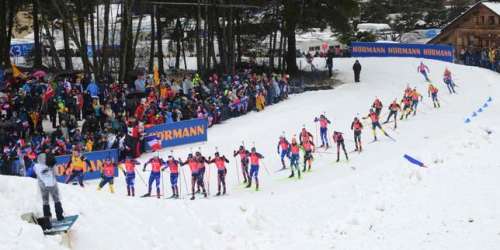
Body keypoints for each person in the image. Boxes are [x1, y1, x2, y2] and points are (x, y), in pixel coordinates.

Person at [34, 152, 64, 221]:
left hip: (42, 185)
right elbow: (57, 174)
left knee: (45, 201)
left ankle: (47, 217)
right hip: (52, 184)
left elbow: (35, 174)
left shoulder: (36, 166)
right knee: (56, 199)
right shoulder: (51, 164)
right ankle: (60, 216)